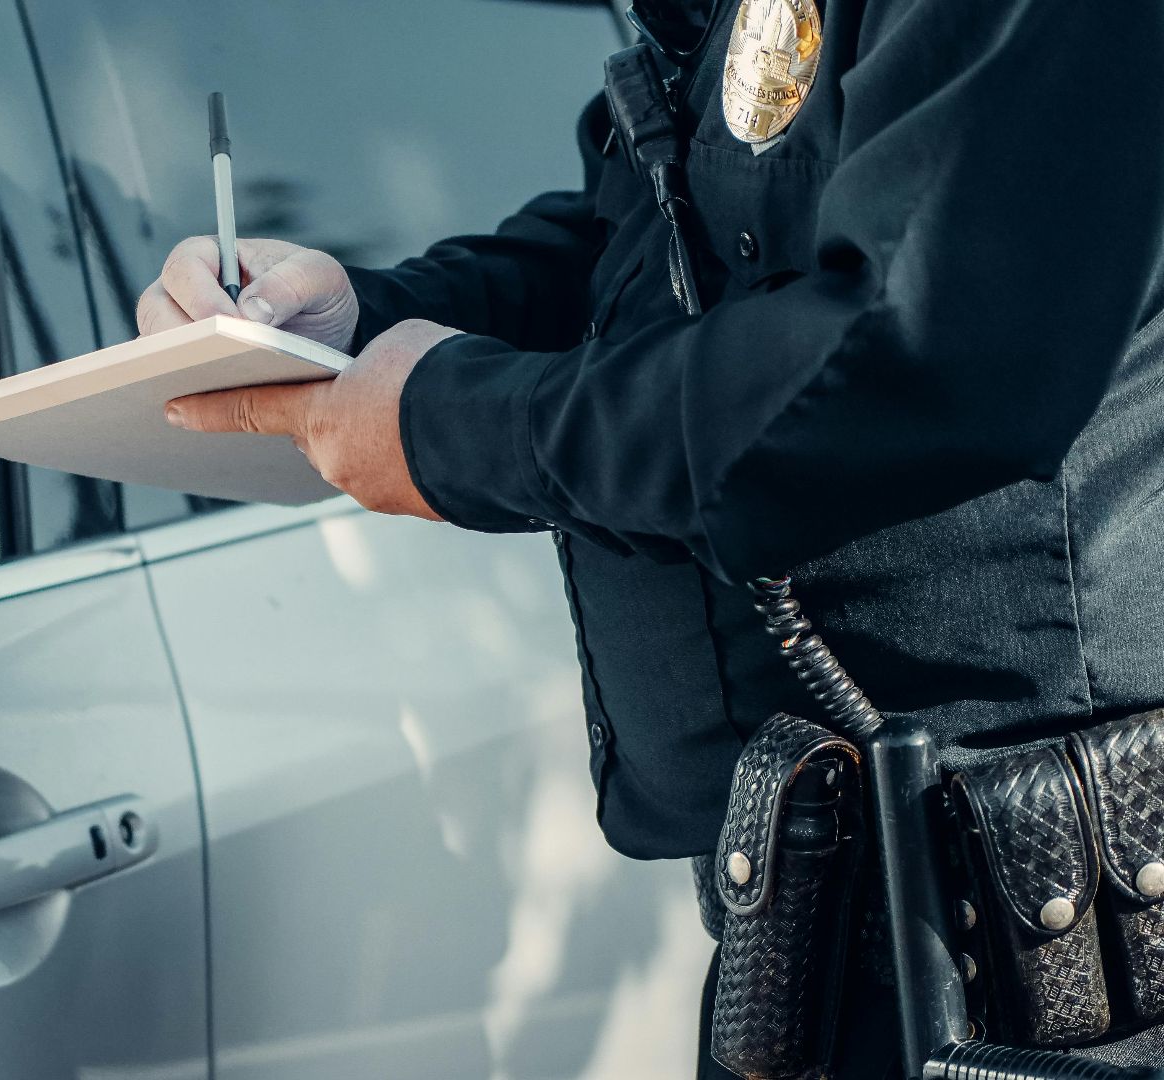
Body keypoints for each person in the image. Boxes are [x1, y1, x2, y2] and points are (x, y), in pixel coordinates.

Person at [140, 0, 1164, 1074]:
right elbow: (678, 240)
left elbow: (923, 350)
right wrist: (371, 323)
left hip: (1067, 983)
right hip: (810, 946)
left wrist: (457, 423)